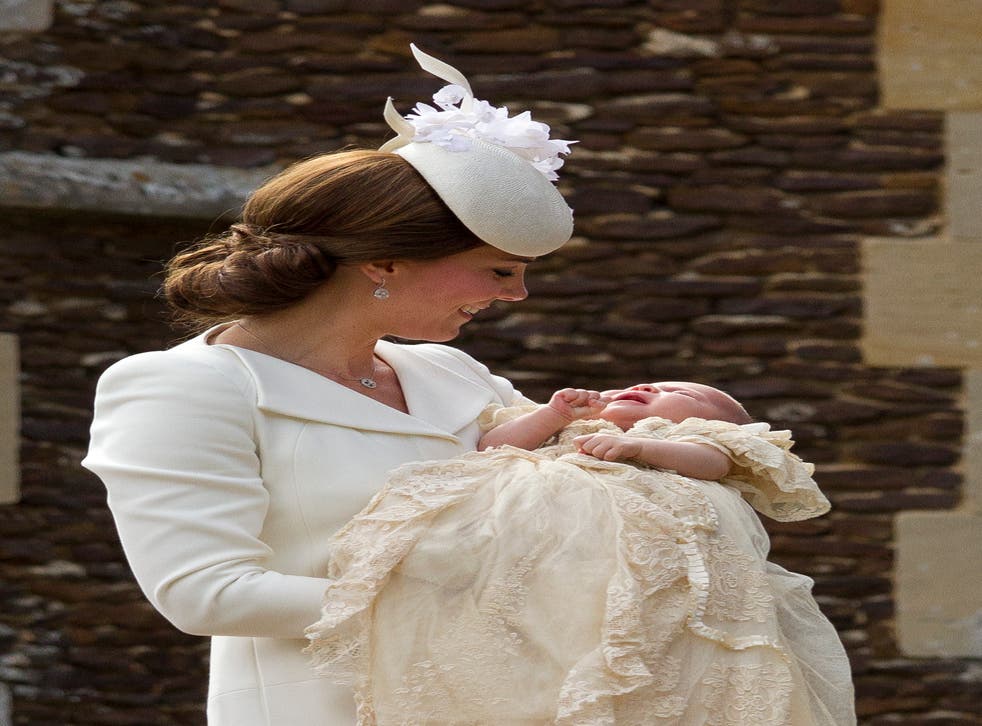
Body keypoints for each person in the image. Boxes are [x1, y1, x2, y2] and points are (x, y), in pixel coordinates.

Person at [81, 45, 575, 726]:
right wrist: (464, 593)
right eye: (498, 271)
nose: (518, 295)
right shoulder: (182, 387)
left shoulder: (451, 372)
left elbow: (579, 484)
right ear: (385, 262)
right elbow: (206, 592)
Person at [305, 382, 857, 725]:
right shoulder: (569, 430)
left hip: (625, 551)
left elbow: (711, 461)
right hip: (532, 552)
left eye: (680, 392)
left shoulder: (685, 439)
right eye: (636, 384)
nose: (646, 386)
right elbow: (488, 448)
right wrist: (550, 417)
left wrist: (640, 445)